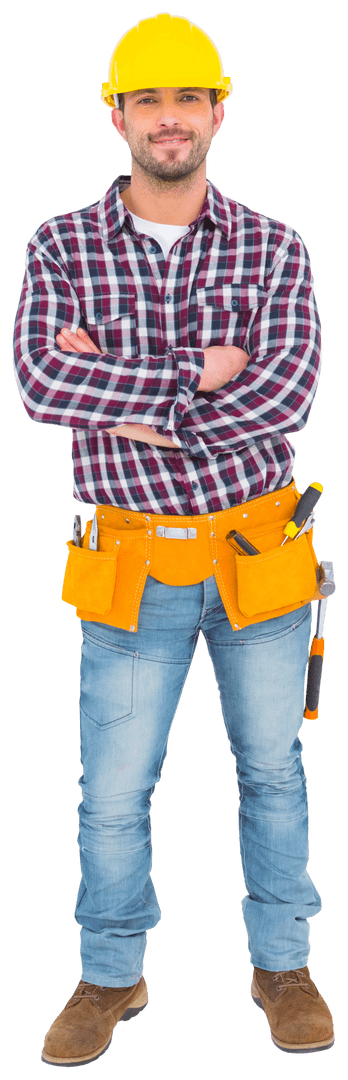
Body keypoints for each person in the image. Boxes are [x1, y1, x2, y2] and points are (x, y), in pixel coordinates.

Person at [13, 11, 335, 1065]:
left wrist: (120, 393)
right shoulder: (58, 244)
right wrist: (192, 378)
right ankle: (112, 976)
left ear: (218, 110)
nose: (168, 118)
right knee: (112, 789)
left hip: (258, 560)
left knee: (274, 773)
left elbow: (285, 393)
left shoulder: (275, 244)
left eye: (186, 98)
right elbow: (37, 381)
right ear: (116, 114)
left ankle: (281, 965)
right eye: (146, 99)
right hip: (128, 560)